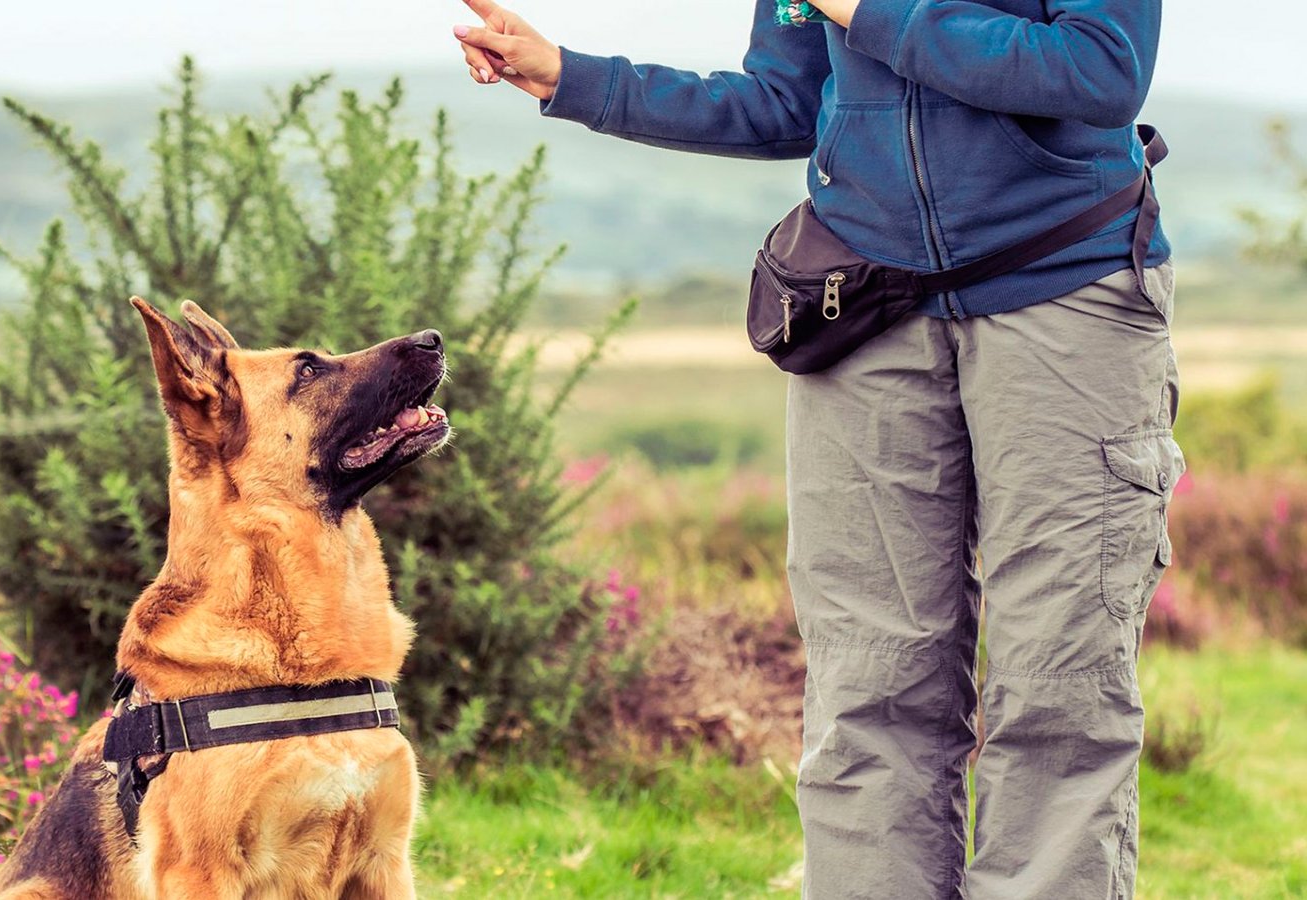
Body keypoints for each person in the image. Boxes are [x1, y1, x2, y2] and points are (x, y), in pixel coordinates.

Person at [453, 0, 1179, 896]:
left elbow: (1098, 71)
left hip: (1065, 296)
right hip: (870, 310)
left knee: (1059, 685)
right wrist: (573, 76)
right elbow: (785, 101)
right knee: (868, 684)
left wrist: (869, 7)